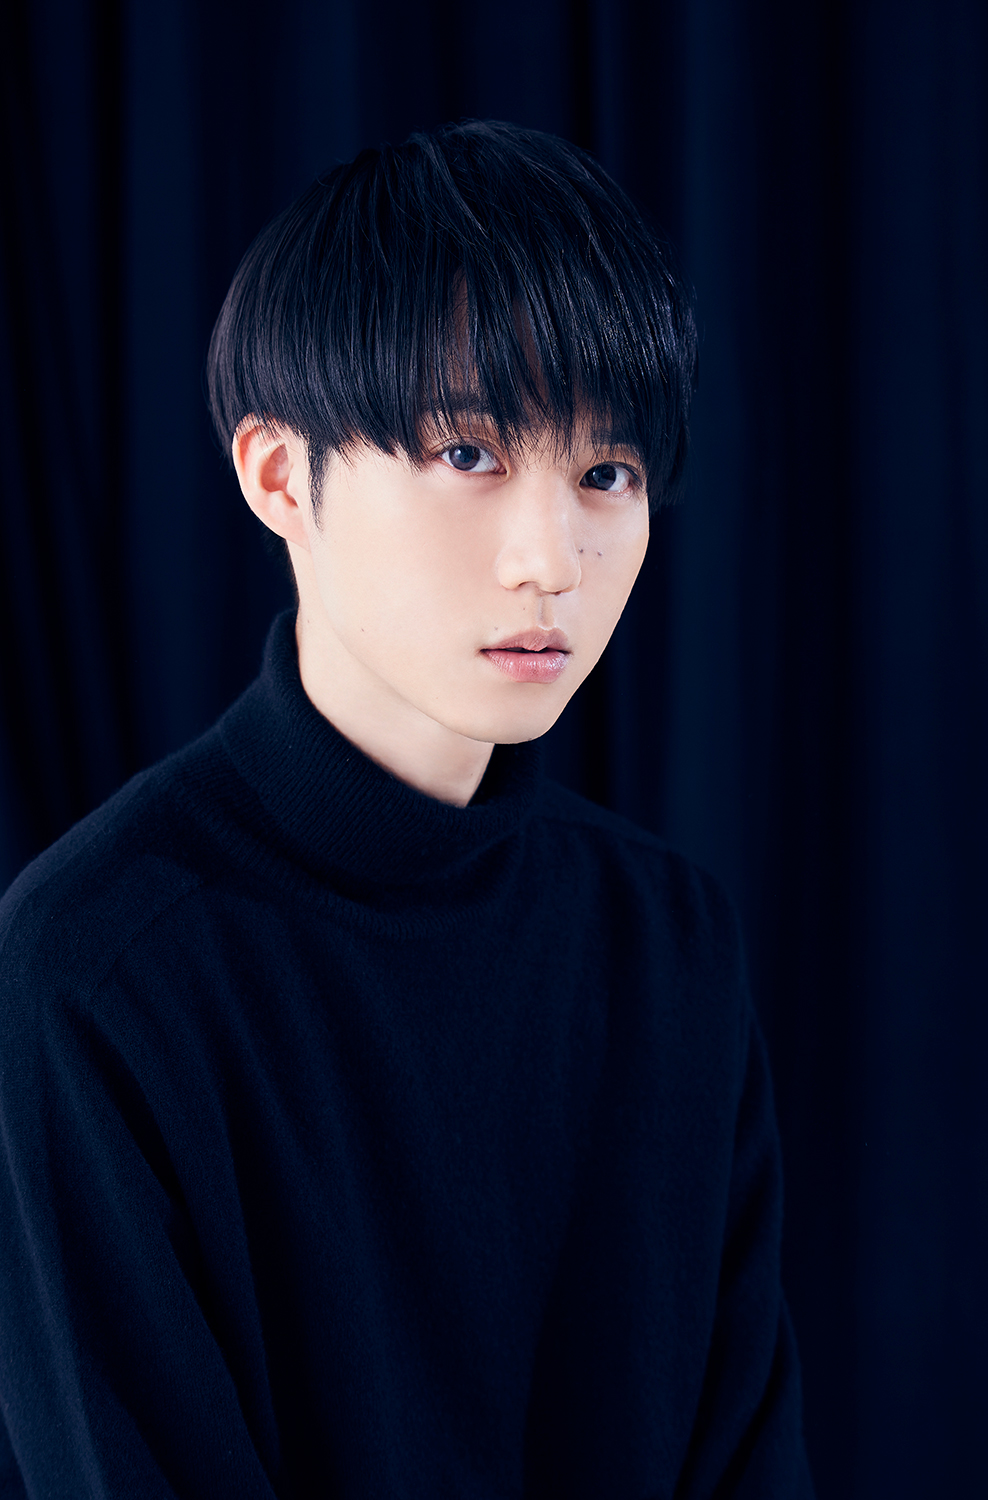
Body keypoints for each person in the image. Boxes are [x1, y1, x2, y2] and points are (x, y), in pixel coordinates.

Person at [0, 120, 814, 1497]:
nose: (551, 561)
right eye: (469, 452)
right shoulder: (91, 972)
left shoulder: (669, 940)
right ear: (280, 477)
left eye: (605, 473)